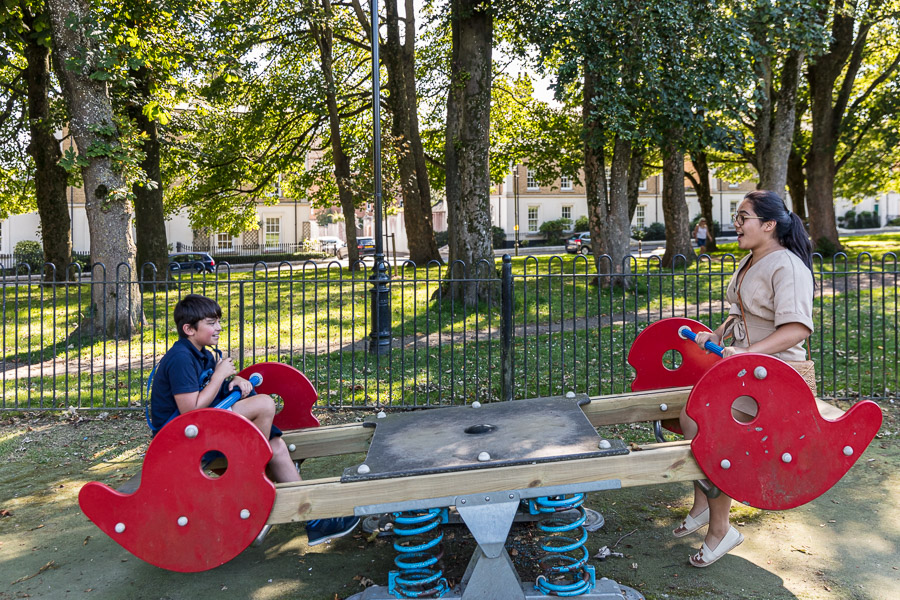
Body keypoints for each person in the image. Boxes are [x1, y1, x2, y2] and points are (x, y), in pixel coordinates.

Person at [150, 294, 359, 546]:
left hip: (200, 429)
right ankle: (252, 472)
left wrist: (232, 380)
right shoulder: (181, 358)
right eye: (210, 322)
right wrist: (219, 376)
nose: (218, 327)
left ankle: (315, 521)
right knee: (263, 403)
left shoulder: (203, 353)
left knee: (278, 447)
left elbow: (211, 388)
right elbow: (189, 412)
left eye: (218, 321)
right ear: (188, 329)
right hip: (181, 442)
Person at [675, 191, 815, 567]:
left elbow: (797, 329)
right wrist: (717, 336)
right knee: (690, 416)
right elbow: (741, 312)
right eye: (737, 217)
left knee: (711, 429)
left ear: (768, 225)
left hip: (777, 376)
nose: (736, 224)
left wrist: (749, 353)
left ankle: (722, 529)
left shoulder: (788, 267)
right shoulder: (752, 260)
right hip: (746, 370)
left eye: (743, 217)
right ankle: (704, 506)